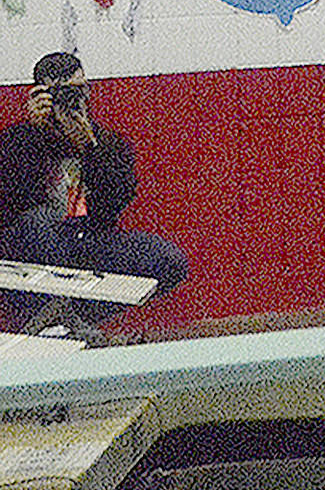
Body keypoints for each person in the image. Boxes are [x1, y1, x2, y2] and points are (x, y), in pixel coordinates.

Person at [0, 51, 188, 335]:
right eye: (61, 93)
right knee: (37, 222)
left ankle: (71, 318)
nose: (72, 100)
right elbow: (9, 206)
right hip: (33, 250)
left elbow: (115, 205)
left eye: (78, 90)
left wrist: (90, 147)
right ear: (40, 95)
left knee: (167, 259)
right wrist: (35, 136)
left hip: (87, 241)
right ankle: (55, 318)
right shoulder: (18, 141)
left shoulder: (105, 143)